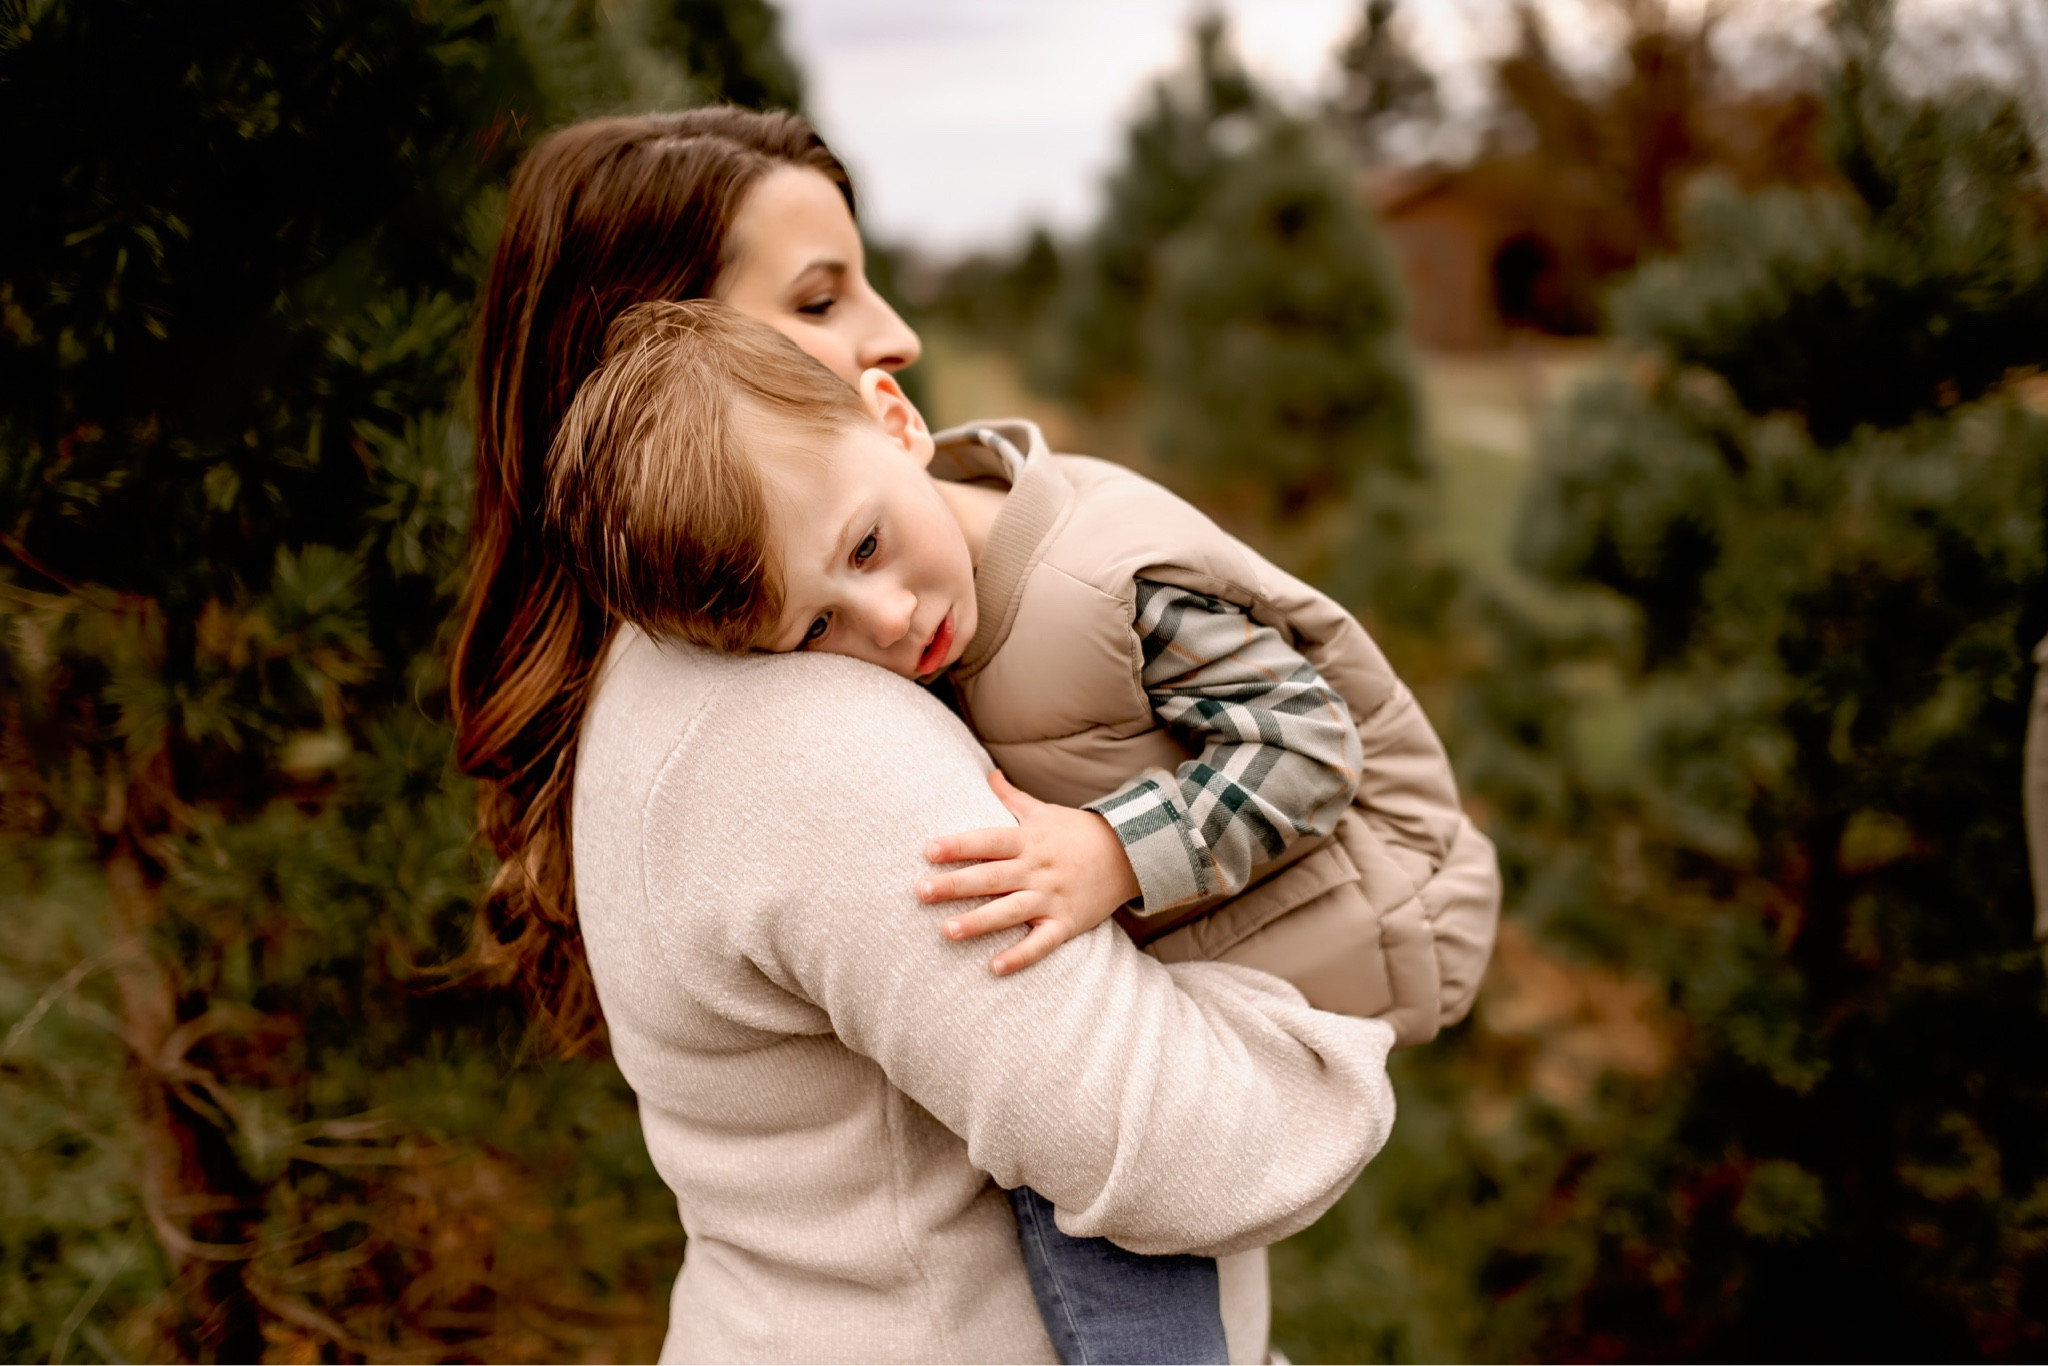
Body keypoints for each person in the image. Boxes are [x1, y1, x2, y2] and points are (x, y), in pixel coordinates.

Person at [451, 108, 1410, 1363]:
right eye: (817, 298)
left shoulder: (684, 666)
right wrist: (1312, 1031)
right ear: (661, 352)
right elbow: (1177, 1150)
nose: (891, 335)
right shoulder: (805, 733)